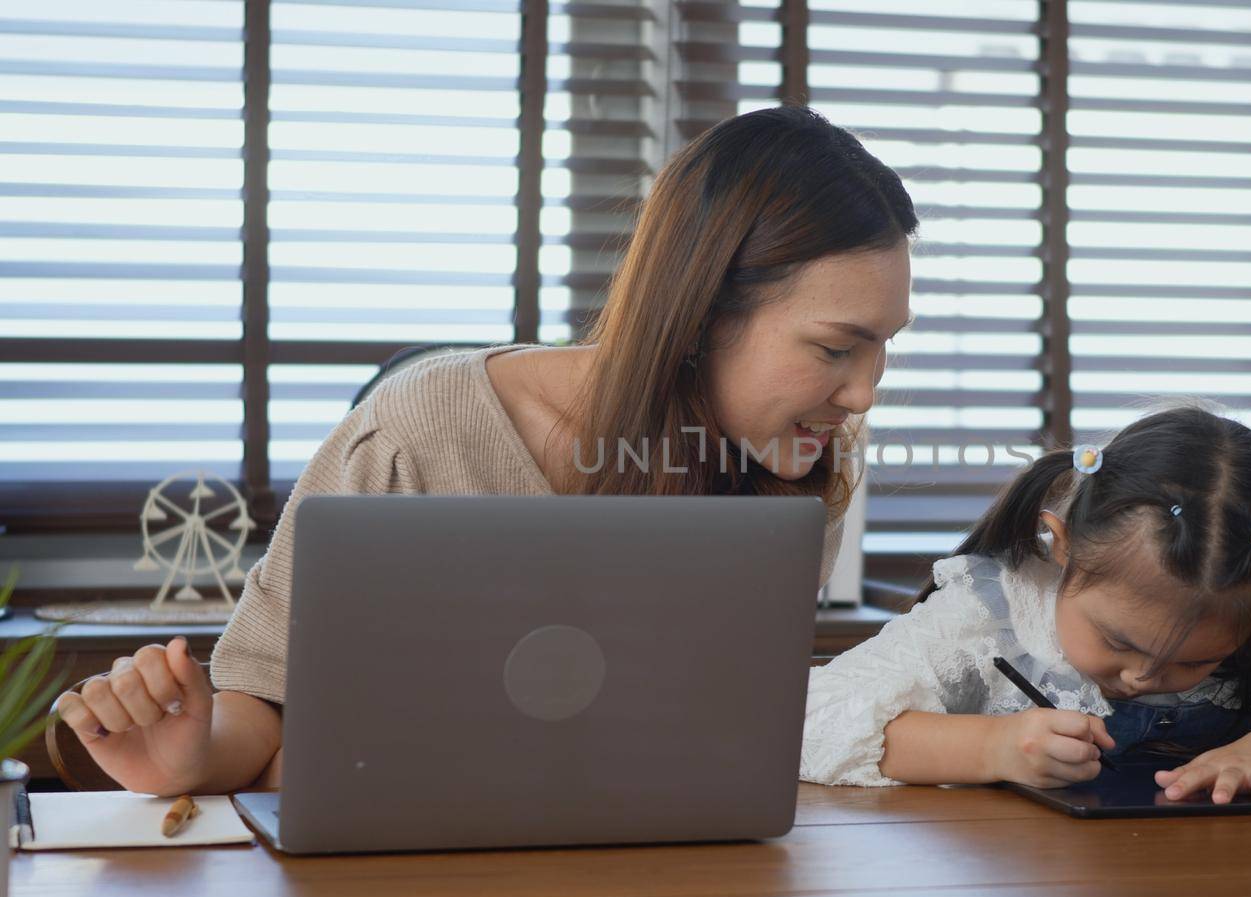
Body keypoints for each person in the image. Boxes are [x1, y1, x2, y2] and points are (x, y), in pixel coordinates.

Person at [53, 106, 918, 797]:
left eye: (884, 347)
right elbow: (269, 705)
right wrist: (194, 756)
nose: (863, 392)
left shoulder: (801, 457)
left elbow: (714, 729)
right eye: (836, 348)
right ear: (701, 315)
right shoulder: (415, 434)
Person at [801, 406, 1251, 804]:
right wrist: (992, 747)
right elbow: (808, 722)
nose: (1146, 678)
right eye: (1119, 643)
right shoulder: (992, 614)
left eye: (1196, 662)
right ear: (1060, 546)